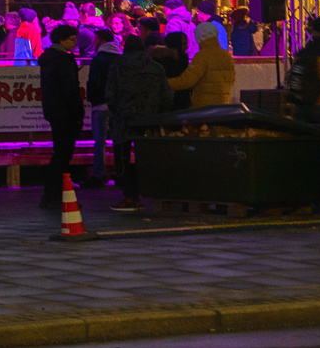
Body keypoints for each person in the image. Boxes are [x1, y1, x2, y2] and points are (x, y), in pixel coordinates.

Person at [105, 29, 171, 212]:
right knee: (146, 157)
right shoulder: (156, 68)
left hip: (124, 118)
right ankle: (147, 194)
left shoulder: (117, 67)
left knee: (123, 158)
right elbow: (166, 95)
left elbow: (110, 94)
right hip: (149, 119)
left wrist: (116, 111)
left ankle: (129, 196)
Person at [38, 24, 84, 210]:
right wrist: (78, 113)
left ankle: (52, 194)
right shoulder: (64, 61)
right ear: (62, 40)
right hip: (66, 112)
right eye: (72, 39)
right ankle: (56, 195)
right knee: (63, 155)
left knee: (60, 153)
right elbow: (70, 90)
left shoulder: (49, 59)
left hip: (54, 110)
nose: (74, 43)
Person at [83, 24, 121, 188]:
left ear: (102, 40)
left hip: (101, 105)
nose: (94, 42)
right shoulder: (121, 58)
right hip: (118, 105)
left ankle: (98, 174)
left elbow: (94, 82)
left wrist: (93, 98)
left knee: (100, 142)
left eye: (96, 39)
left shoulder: (99, 59)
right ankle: (121, 173)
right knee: (119, 140)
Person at [168, 21, 235, 107]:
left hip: (204, 106)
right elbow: (231, 80)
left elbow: (187, 81)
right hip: (223, 104)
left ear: (200, 36)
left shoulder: (202, 56)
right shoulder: (227, 56)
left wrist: (165, 83)